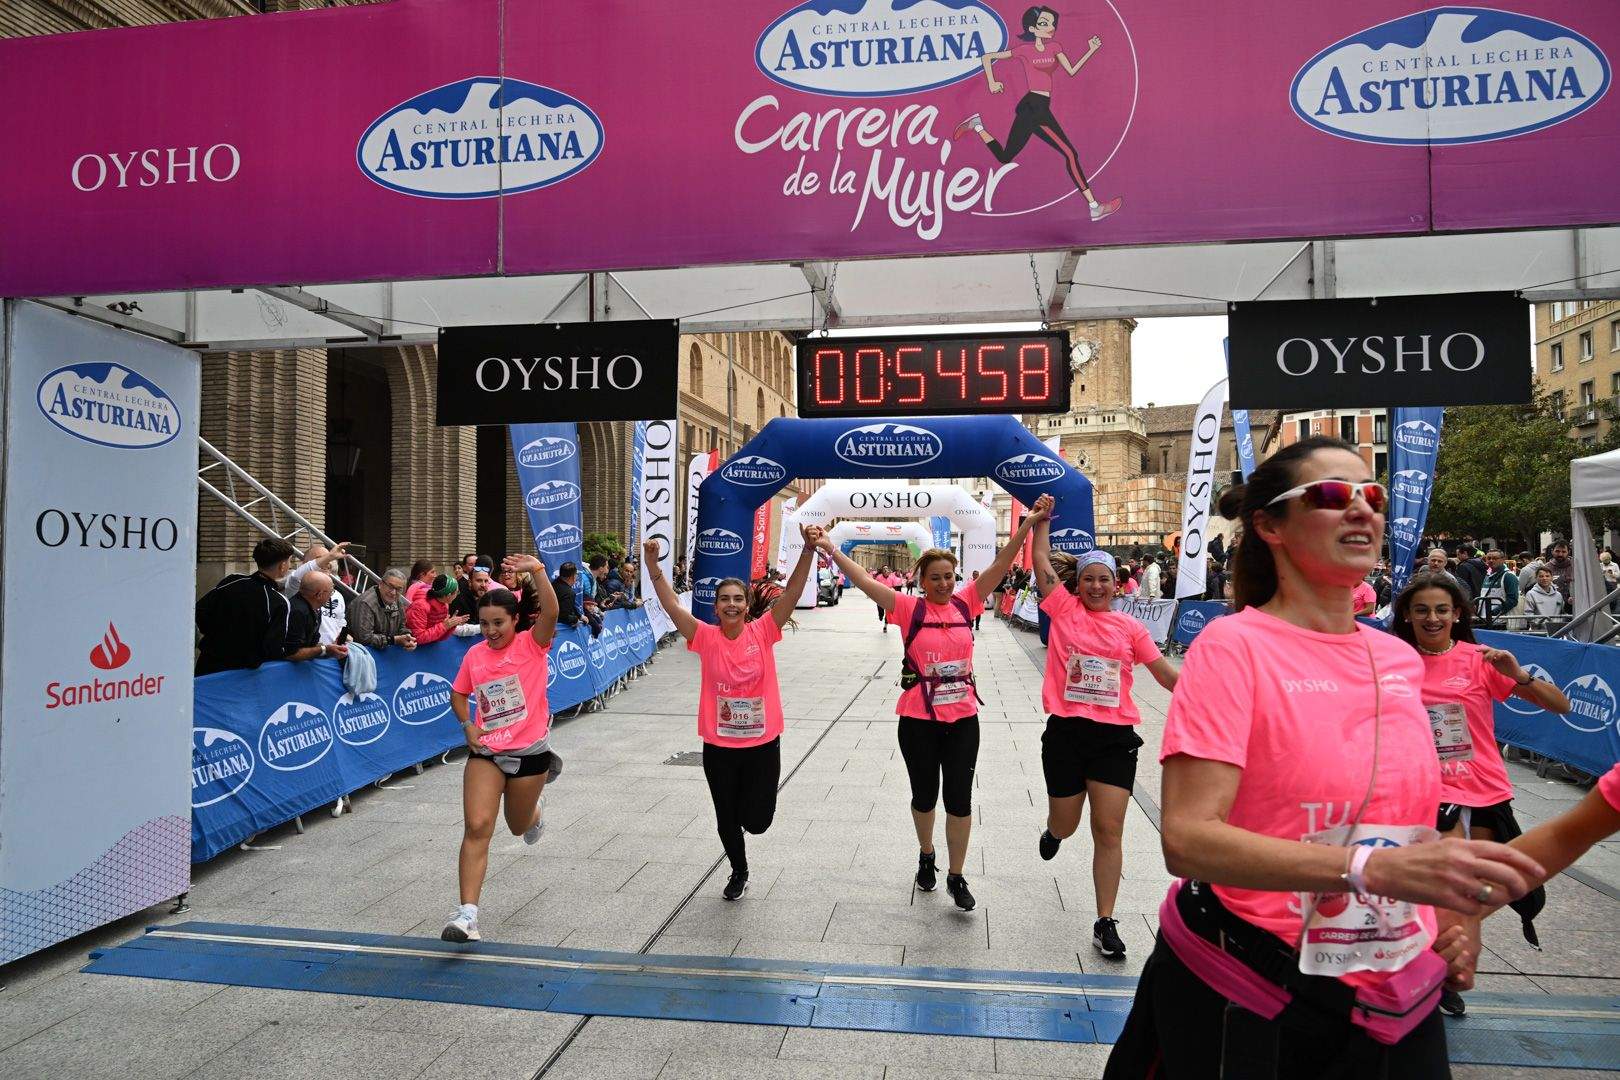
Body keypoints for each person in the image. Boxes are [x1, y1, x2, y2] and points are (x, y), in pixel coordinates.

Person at [1105, 436, 1544, 1078]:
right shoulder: (1233, 647)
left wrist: (1449, 913)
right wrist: (1371, 871)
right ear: (1269, 525)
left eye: (1373, 496)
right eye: (1333, 496)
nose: (1362, 509)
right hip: (1252, 981)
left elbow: (1415, 816)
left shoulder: (1396, 657)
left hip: (1392, 984)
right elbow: (1189, 840)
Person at [819, 504, 1049, 912]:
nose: (944, 583)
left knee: (959, 800)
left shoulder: (966, 604)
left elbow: (999, 565)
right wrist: (830, 549)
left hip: (962, 717)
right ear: (921, 580)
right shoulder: (910, 609)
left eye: (948, 576)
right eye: (935, 578)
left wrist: (1028, 525)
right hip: (917, 718)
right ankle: (927, 853)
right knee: (925, 796)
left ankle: (957, 875)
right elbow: (864, 581)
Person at [1391, 570, 1571, 1017]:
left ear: (1457, 615)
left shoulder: (1480, 659)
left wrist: (1519, 675)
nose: (1432, 618)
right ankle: (1433, 977)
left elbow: (1560, 705)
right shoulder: (1394, 661)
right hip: (1427, 794)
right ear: (1408, 617)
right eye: (1421, 610)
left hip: (1485, 793)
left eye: (1441, 610)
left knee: (1472, 897)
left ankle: (1441, 972)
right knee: (1447, 892)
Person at [643, 526, 821, 900]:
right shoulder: (704, 637)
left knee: (757, 821)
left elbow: (791, 593)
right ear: (716, 606)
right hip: (720, 745)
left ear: (746, 602)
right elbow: (672, 606)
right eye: (725, 599)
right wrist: (652, 565)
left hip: (761, 742)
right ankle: (738, 870)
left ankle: (747, 822)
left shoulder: (763, 631)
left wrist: (808, 550)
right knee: (726, 816)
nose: (731, 604)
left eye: (738, 598)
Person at [1031, 511, 1178, 960]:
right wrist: (1041, 522)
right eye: (1089, 579)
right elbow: (1040, 561)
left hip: (1115, 738)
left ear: (1116, 585)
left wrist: (1216, 692)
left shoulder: (1131, 627)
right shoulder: (1063, 608)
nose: (1096, 586)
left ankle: (1105, 920)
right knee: (1069, 823)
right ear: (1079, 583)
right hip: (1066, 734)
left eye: (1104, 580)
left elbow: (1163, 673)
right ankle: (1054, 833)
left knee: (1108, 829)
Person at [442, 556, 561, 943]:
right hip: (487, 753)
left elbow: (553, 610)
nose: (491, 631)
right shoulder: (475, 655)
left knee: (517, 825)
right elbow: (459, 694)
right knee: (477, 827)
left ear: (514, 621)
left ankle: (535, 812)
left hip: (530, 753)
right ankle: (467, 916)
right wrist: (468, 724)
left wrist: (539, 571)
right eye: (486, 623)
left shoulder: (533, 644)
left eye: (499, 623)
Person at [954, 6, 1121, 221]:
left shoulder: (1055, 47)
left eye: (1052, 23)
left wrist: (1091, 50)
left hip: (1039, 106)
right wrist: (992, 82)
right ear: (1032, 28)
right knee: (1070, 154)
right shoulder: (1024, 50)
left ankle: (977, 125)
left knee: (1005, 157)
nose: (1050, 27)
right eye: (1044, 23)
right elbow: (987, 58)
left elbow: (1071, 70)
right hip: (1033, 106)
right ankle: (1094, 207)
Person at [195, 537, 300, 675]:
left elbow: (200, 611)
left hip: (208, 664)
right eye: (289, 560)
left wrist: (215, 637)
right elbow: (274, 648)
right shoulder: (278, 601)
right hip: (244, 674)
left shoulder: (232, 580)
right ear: (282, 565)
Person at [286, 542, 353, 645]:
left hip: (331, 655)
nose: (328, 562)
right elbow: (296, 577)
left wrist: (343, 638)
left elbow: (340, 622)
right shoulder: (296, 587)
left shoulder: (338, 596)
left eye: (329, 559)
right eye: (320, 559)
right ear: (305, 564)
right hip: (307, 653)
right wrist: (330, 556)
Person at [285, 571, 350, 663]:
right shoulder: (297, 612)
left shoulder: (315, 608)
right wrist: (325, 649)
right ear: (319, 595)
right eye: (331, 592)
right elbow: (291, 653)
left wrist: (332, 648)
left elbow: (312, 644)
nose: (331, 596)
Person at [346, 567, 416, 651]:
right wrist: (393, 640)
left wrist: (408, 637)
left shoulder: (398, 601)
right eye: (390, 586)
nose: (393, 592)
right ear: (381, 584)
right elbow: (363, 638)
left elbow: (402, 626)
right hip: (359, 654)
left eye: (398, 589)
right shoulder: (365, 603)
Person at [406, 574, 470, 645]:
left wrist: (452, 625)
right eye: (457, 592)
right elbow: (417, 638)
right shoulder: (419, 607)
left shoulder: (444, 605)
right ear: (448, 596)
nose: (458, 594)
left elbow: (439, 637)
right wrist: (444, 626)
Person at [1477, 549, 1520, 624]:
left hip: (1499, 622)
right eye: (1489, 558)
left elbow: (1512, 600)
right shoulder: (1488, 575)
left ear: (1503, 560)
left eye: (1495, 558)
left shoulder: (1509, 576)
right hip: (1485, 620)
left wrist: (1493, 612)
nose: (1491, 560)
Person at [553, 563, 583, 628]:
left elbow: (570, 606)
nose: (577, 577)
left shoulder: (553, 583)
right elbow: (563, 616)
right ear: (572, 577)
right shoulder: (569, 593)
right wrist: (575, 620)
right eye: (576, 574)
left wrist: (580, 616)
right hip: (557, 628)